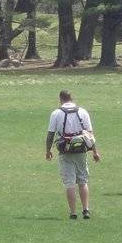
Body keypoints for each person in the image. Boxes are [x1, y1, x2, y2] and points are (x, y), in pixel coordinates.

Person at [46, 90, 101, 219]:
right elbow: (90, 135)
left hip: (65, 152)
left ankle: (73, 212)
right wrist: (95, 152)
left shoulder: (56, 113)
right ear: (72, 98)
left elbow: (50, 135)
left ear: (61, 99)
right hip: (81, 150)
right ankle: (86, 210)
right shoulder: (83, 112)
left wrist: (48, 151)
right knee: (83, 181)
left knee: (69, 183)